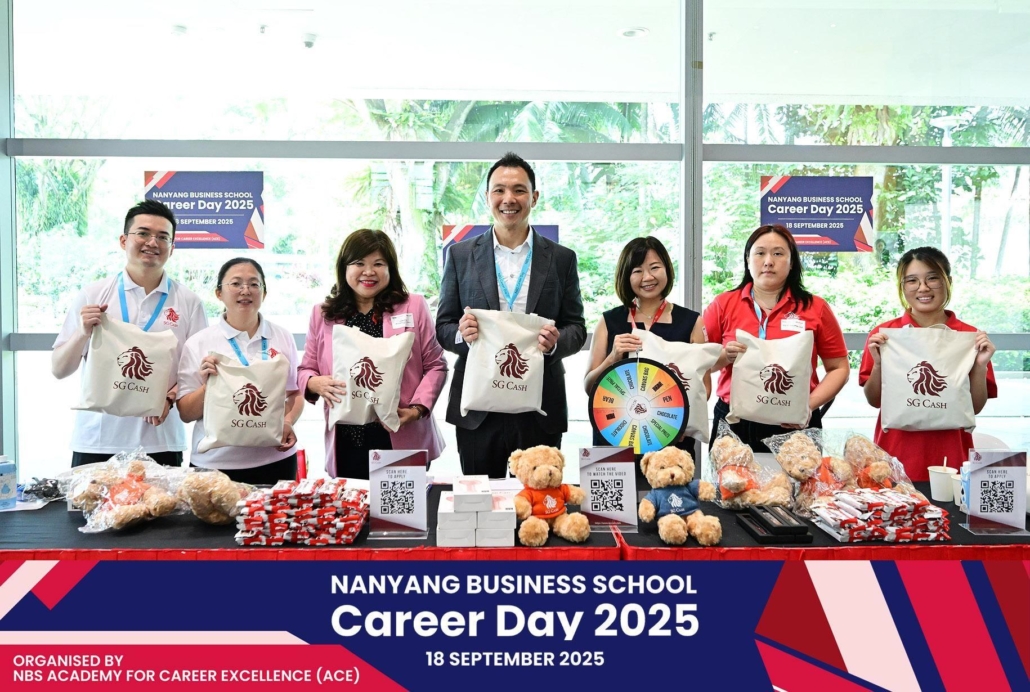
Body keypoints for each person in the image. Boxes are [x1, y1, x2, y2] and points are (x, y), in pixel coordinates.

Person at [436, 152, 587, 478]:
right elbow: (444, 326)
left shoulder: (561, 258)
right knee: (481, 499)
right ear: (487, 196)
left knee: (537, 498)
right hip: (478, 408)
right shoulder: (461, 255)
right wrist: (462, 334)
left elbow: (576, 327)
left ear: (534, 197)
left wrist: (556, 343)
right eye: (499, 190)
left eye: (519, 190)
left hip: (539, 405)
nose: (509, 199)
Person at [51, 200, 208, 467]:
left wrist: (169, 398)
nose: (152, 242)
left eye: (163, 237)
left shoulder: (189, 302)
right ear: (124, 241)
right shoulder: (94, 294)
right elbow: (59, 369)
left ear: (172, 247)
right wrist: (82, 332)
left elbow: (197, 373)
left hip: (160, 440)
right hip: (97, 439)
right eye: (143, 233)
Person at [298, 229, 447, 480]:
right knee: (353, 504)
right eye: (359, 263)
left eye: (378, 263)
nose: (369, 272)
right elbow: (306, 369)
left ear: (391, 269)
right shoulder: (323, 314)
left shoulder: (413, 306)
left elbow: (436, 365)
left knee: (398, 507)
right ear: (344, 267)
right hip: (347, 438)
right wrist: (314, 383)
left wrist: (417, 409)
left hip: (401, 431)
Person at [703, 224, 850, 452]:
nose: (768, 261)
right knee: (732, 477)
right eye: (760, 253)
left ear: (792, 262)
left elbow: (839, 368)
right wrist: (725, 357)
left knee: (799, 478)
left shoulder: (815, 307)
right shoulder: (723, 304)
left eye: (778, 254)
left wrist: (808, 406)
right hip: (736, 422)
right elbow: (700, 364)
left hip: (794, 422)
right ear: (748, 259)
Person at [860, 246, 996, 481]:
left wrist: (980, 365)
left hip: (951, 456)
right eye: (912, 280)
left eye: (932, 278)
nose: (923, 288)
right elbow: (874, 401)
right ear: (902, 286)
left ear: (948, 281)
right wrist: (879, 365)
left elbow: (974, 407)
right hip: (895, 454)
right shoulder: (885, 335)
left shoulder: (969, 338)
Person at [176, 258, 303, 484]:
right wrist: (210, 387)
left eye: (254, 284)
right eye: (236, 284)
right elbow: (186, 413)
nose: (246, 290)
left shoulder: (282, 336)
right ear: (219, 293)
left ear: (264, 293)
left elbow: (295, 392)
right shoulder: (199, 343)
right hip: (215, 464)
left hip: (275, 459)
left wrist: (288, 421)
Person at [584, 236, 709, 462]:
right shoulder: (609, 321)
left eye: (654, 267)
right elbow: (589, 386)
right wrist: (612, 358)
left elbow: (704, 388)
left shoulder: (691, 322)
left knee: (670, 486)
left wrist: (680, 422)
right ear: (626, 276)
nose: (648, 277)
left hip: (671, 438)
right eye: (637, 271)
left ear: (667, 269)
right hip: (615, 438)